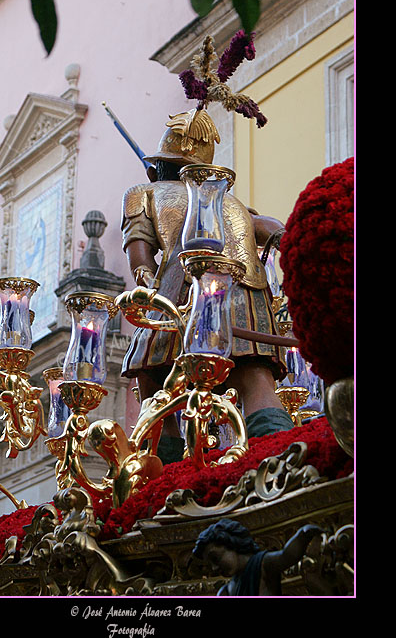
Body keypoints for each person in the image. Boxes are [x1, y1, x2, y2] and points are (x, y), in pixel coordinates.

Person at [120, 108, 294, 465]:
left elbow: (140, 254)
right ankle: (280, 460)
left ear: (158, 168)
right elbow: (269, 227)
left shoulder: (143, 192)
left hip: (182, 287)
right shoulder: (232, 202)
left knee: (155, 385)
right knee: (255, 380)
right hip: (248, 288)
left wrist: (145, 283)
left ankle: (161, 477)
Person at [191, 518, 323, 596]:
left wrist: (303, 535)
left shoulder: (262, 564)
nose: (214, 568)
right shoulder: (226, 591)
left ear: (232, 543)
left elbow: (286, 556)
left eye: (215, 558)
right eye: (210, 565)